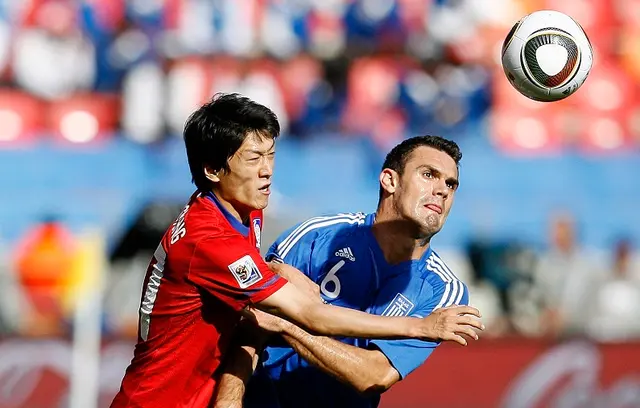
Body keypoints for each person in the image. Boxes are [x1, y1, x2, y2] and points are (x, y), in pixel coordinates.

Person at [110, 95, 481, 408]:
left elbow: (373, 375)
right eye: (254, 159)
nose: (267, 171)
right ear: (213, 170)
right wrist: (420, 327)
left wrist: (279, 303)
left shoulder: (246, 209)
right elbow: (293, 315)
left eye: (270, 156)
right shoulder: (217, 239)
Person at [213, 135, 482, 408]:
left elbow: (374, 376)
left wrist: (287, 322)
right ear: (390, 180)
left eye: (451, 184)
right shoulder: (318, 237)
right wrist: (228, 401)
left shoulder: (443, 291)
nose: (443, 190)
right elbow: (251, 327)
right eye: (429, 175)